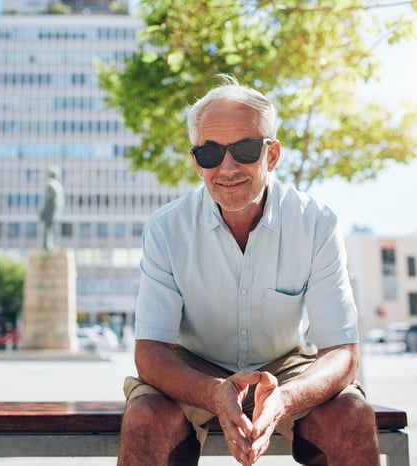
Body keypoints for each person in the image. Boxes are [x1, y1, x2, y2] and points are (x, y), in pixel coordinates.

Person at [118, 75, 380, 466]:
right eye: (210, 153)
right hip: (192, 362)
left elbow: (341, 351)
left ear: (271, 155)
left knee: (352, 416)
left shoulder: (316, 223)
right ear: (195, 161)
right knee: (145, 418)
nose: (227, 167)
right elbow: (150, 352)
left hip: (286, 363)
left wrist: (285, 399)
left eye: (244, 149)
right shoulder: (166, 228)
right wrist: (213, 392)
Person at [39, 165, 64, 250]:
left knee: (50, 227)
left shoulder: (55, 184)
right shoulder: (51, 184)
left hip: (55, 208)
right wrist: (43, 210)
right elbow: (47, 198)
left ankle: (49, 243)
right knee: (48, 227)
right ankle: (46, 244)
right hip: (50, 209)